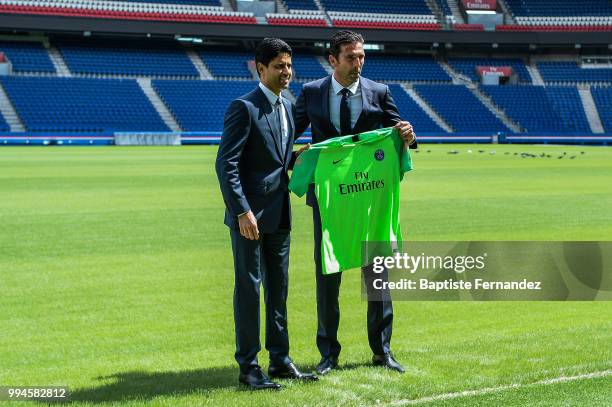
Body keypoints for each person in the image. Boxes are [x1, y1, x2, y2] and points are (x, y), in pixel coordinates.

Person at [294, 30, 417, 375]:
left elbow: (400, 130)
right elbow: (289, 131)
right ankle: (328, 353)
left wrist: (410, 134)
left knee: (377, 274)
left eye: (362, 56)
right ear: (332, 60)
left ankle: (382, 350)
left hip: (369, 198)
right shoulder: (312, 92)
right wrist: (294, 158)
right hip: (329, 199)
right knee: (328, 272)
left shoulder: (380, 92)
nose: (358, 63)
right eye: (351, 57)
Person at [215, 38, 315, 390]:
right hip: (249, 220)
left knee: (279, 290)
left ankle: (281, 359)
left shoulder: (287, 106)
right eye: (279, 66)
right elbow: (225, 164)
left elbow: (279, 160)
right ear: (261, 68)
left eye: (289, 66)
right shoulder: (243, 107)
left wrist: (301, 157)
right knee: (249, 290)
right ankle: (248, 365)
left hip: (280, 215)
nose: (286, 72)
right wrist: (241, 211)